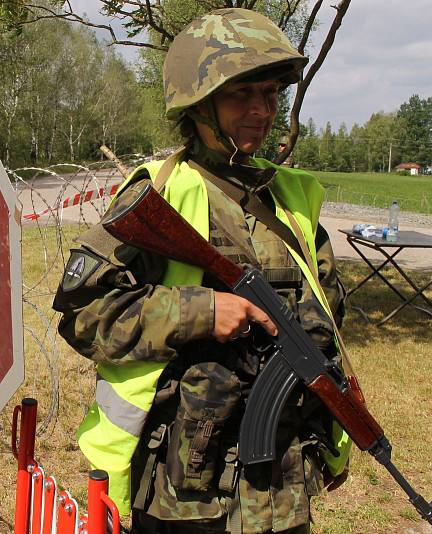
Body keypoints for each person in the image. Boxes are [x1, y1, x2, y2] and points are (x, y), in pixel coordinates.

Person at [52, 8, 351, 534]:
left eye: (270, 93)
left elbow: (327, 309)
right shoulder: (162, 196)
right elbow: (83, 310)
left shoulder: (290, 198)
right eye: (242, 94)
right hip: (186, 492)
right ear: (199, 105)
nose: (261, 109)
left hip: (280, 484)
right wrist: (203, 310)